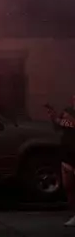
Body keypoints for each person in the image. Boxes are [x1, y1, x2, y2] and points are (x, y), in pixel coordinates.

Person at [46, 95, 75, 227]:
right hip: (67, 154)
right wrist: (53, 116)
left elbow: (70, 124)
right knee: (68, 186)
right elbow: (59, 127)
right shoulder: (67, 111)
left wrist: (63, 120)